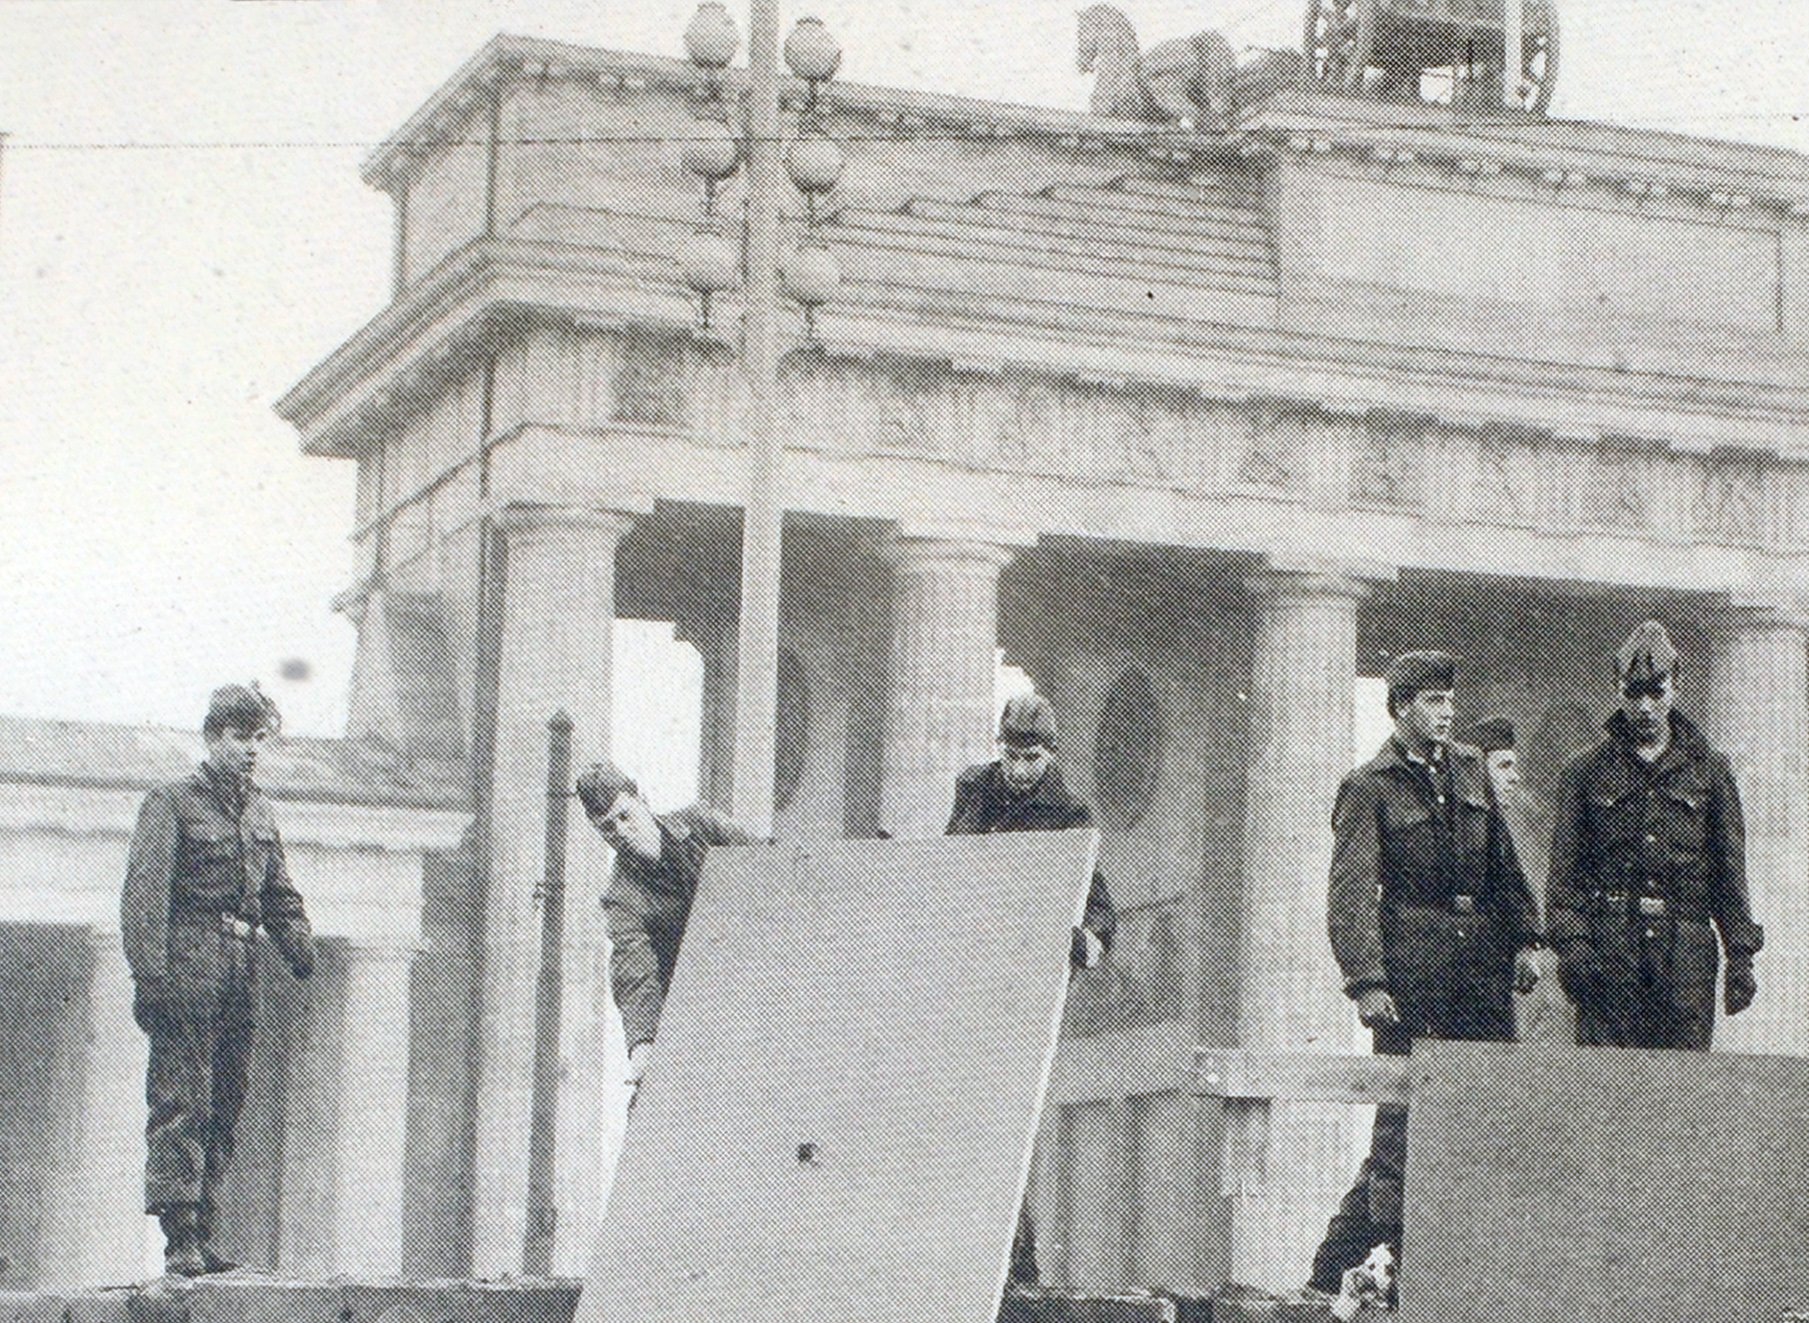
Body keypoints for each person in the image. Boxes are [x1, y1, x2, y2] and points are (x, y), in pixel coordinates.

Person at [1305, 652, 1540, 1298]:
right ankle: (1382, 1252)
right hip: (1413, 974)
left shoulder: (1468, 769)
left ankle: (1475, 1245)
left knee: (1486, 1103)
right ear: (1401, 705)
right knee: (1403, 1122)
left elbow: (1503, 862)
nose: (1445, 713)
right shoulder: (1368, 785)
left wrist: (1525, 937)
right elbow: (1349, 893)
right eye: (1432, 701)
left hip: (1480, 968)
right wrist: (1367, 979)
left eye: (1448, 701)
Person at [121, 684, 315, 1277]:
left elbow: (277, 890)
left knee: (227, 1100)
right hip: (189, 960)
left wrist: (297, 938)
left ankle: (204, 1229)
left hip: (241, 966)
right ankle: (178, 1235)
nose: (251, 750)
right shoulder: (171, 802)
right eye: (239, 736)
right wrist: (151, 978)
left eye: (260, 739)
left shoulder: (260, 811)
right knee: (184, 1099)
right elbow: (143, 898)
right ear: (211, 737)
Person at [944, 692, 1117, 1287]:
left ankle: (1017, 1264)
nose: (1018, 771)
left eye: (1031, 758)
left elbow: (1095, 903)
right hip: (968, 970)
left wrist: (1086, 940)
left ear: (1050, 754)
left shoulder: (1070, 813)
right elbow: (952, 864)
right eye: (1011, 756)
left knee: (1004, 1123)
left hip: (1018, 986)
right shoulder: (973, 788)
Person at [1547, 621, 1763, 1050]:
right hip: (1610, 950)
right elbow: (1564, 876)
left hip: (1686, 953)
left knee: (1681, 1092)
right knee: (1606, 1090)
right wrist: (1573, 946)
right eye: (1632, 693)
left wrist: (1740, 955)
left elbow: (1729, 872)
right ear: (1617, 689)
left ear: (1675, 687)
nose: (1644, 706)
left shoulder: (1711, 772)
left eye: (1656, 692)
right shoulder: (1584, 772)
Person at [580, 762, 754, 1088]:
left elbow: (764, 861)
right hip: (701, 1010)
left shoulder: (702, 826)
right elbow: (634, 973)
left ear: (642, 800)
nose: (621, 832)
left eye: (624, 815)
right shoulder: (621, 898)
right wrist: (642, 1047)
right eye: (607, 828)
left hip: (754, 974)